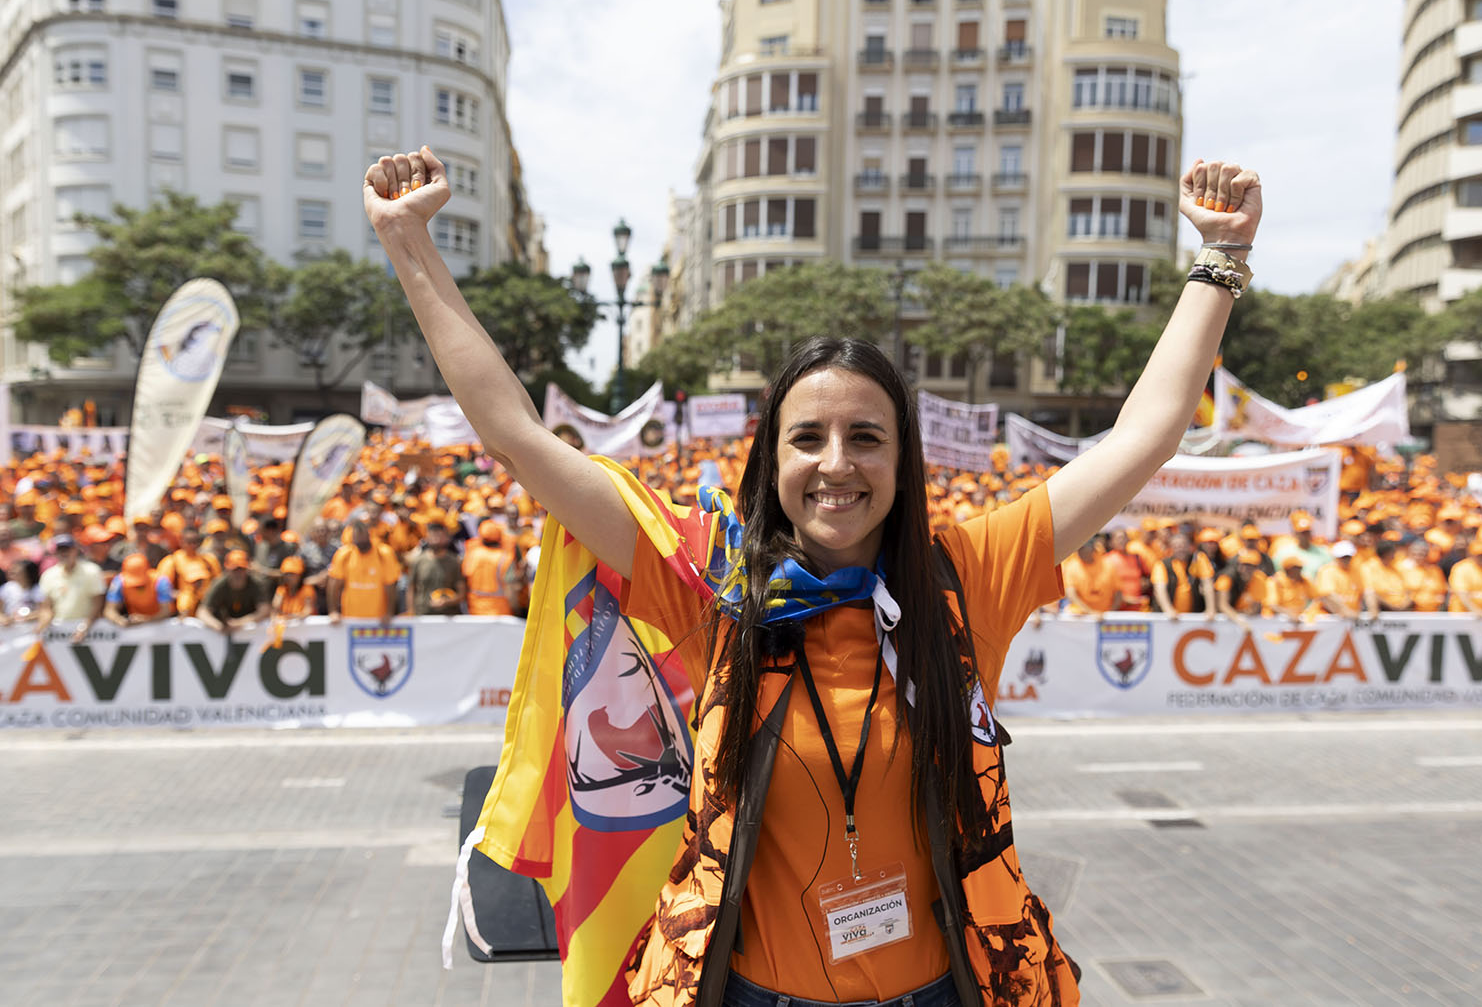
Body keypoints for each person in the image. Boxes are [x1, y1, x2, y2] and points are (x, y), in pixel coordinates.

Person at [367, 144, 1259, 1006]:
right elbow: (520, 437)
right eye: (808, 438)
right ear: (770, 461)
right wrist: (410, 244)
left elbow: (1142, 437)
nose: (837, 463)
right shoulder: (707, 582)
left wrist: (1219, 258)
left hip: (947, 990)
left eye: (865, 437)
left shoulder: (965, 576)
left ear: (903, 463)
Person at [326, 520, 401, 623]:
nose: (359, 542)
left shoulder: (384, 553)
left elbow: (390, 585)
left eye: (362, 538)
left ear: (368, 534)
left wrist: (389, 613)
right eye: (356, 539)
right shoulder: (344, 554)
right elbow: (334, 584)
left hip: (378, 618)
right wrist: (333, 611)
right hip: (350, 618)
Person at [36, 534, 105, 644]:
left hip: (90, 631)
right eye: (60, 550)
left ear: (75, 550)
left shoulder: (91, 571)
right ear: (55, 553)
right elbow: (46, 606)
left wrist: (85, 627)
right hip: (59, 631)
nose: (64, 553)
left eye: (67, 549)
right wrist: (43, 623)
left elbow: (98, 604)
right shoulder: (48, 575)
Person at [197, 550, 271, 634]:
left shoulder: (256, 583)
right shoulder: (219, 584)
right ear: (227, 569)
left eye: (241, 569)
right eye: (234, 569)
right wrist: (217, 625)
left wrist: (239, 623)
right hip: (223, 628)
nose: (238, 573)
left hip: (250, 631)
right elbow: (203, 611)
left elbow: (265, 610)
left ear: (247, 569)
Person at [406, 515, 465, 615]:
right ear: (427, 537)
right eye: (432, 535)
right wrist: (411, 611)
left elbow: (462, 593)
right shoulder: (418, 561)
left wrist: (447, 602)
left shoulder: (454, 561)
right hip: (423, 614)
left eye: (439, 535)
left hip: (448, 616)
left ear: (447, 538)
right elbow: (411, 589)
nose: (436, 538)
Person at [103, 553, 175, 626]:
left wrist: (147, 620)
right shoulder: (119, 581)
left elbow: (166, 611)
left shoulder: (160, 581)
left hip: (160, 625)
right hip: (135, 626)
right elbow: (109, 610)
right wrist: (120, 620)